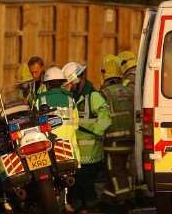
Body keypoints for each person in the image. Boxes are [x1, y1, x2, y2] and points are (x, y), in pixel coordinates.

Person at [62, 61, 112, 213]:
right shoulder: (71, 97)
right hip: (75, 154)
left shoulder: (93, 96)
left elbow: (106, 115)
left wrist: (97, 130)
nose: (71, 86)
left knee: (87, 190)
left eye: (73, 83)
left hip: (91, 154)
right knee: (77, 190)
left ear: (80, 79)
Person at [36, 67, 81, 213]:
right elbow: (76, 124)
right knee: (65, 177)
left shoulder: (40, 99)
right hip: (67, 146)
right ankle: (63, 203)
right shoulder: (70, 99)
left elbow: (35, 122)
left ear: (47, 84)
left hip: (48, 145)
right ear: (62, 83)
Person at [100, 55, 135, 203]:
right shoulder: (128, 90)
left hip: (113, 141)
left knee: (114, 171)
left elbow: (102, 120)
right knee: (125, 169)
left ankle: (124, 199)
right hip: (130, 140)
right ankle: (107, 200)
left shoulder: (104, 93)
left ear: (104, 73)